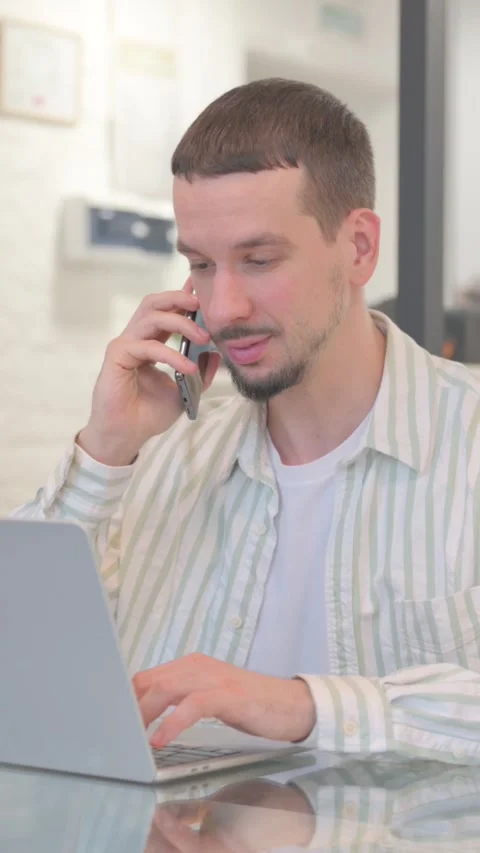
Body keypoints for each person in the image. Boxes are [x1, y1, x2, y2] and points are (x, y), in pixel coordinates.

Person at [13, 78, 480, 762]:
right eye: (200, 264)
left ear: (358, 248)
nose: (222, 306)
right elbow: (20, 671)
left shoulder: (464, 442)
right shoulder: (162, 461)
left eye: (259, 260)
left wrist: (298, 704)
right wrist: (105, 451)